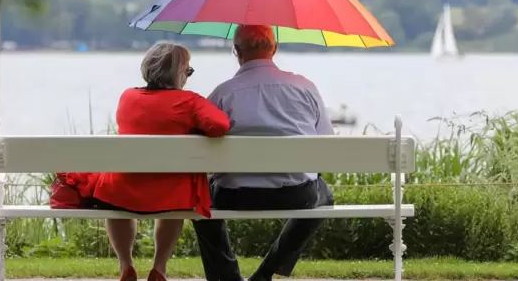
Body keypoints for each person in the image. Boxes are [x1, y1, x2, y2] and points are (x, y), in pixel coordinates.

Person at [192, 25, 335, 281]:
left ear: (236, 51)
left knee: (200, 200)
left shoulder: (222, 93)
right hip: (296, 194)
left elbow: (198, 146)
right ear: (274, 48)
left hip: (233, 196)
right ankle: (266, 273)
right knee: (325, 194)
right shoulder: (305, 87)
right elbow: (326, 143)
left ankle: (227, 277)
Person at [90, 42, 232, 281]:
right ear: (178, 73)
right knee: (174, 195)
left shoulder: (128, 97)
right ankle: (159, 267)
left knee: (114, 192)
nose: (187, 77)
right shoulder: (189, 102)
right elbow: (220, 126)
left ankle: (126, 265)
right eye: (188, 71)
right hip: (169, 194)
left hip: (123, 190)